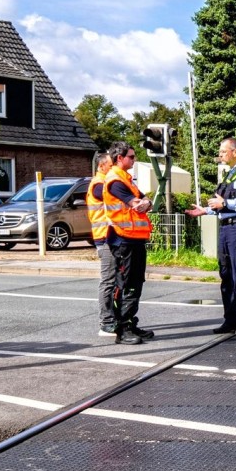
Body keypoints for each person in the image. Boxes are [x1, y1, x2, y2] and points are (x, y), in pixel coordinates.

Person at [187, 137, 236, 336]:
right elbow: (222, 204)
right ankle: (232, 319)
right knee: (226, 275)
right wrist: (205, 210)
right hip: (226, 228)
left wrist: (225, 205)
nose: (220, 155)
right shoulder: (230, 174)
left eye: (223, 151)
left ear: (235, 152)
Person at [104, 143, 156, 344]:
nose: (134, 160)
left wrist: (145, 203)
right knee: (125, 284)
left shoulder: (127, 180)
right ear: (120, 158)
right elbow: (138, 204)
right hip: (122, 238)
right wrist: (142, 204)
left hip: (134, 238)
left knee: (135, 283)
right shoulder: (116, 181)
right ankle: (122, 328)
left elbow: (146, 202)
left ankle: (130, 323)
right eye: (131, 157)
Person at [86, 150, 118, 334]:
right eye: (110, 165)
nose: (113, 167)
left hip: (112, 237)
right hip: (104, 237)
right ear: (101, 166)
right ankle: (105, 321)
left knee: (114, 280)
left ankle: (113, 317)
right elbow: (109, 196)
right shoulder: (99, 184)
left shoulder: (105, 182)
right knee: (108, 280)